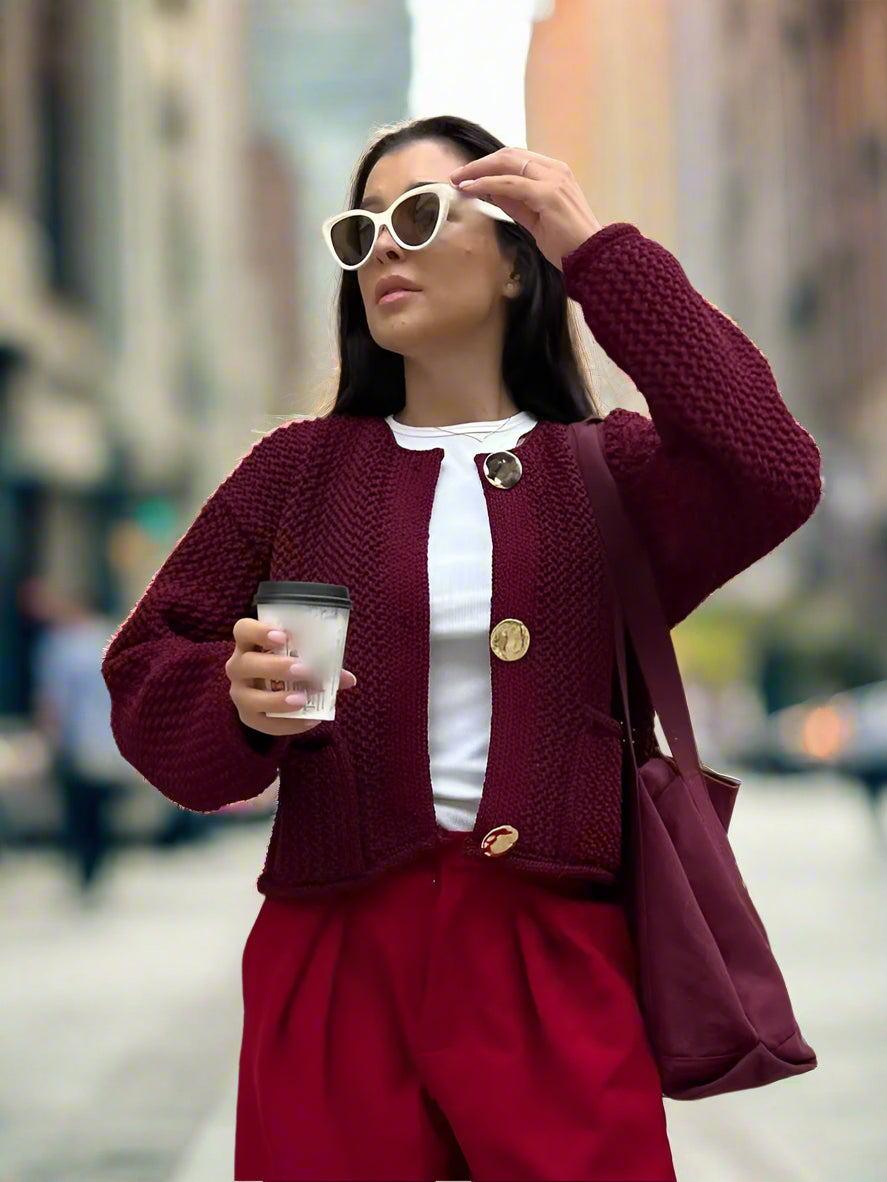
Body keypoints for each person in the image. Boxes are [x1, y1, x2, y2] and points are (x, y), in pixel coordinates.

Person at [101, 115, 823, 1181]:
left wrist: (601, 255)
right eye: (359, 232)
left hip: (552, 959)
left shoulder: (607, 473)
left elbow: (768, 465)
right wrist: (232, 698)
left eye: (419, 214)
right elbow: (146, 670)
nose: (383, 247)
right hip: (334, 955)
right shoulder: (294, 473)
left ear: (514, 265)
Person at [22, 579, 127, 898]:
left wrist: (47, 739)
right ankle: (95, 868)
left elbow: (51, 700)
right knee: (99, 811)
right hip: (109, 740)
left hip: (79, 742)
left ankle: (86, 870)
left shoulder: (61, 644)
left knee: (79, 811)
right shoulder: (110, 635)